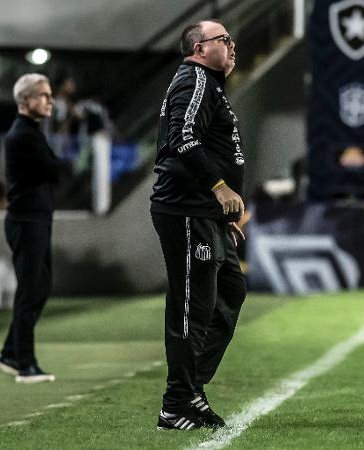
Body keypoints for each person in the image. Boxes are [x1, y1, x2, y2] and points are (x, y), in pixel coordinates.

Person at [151, 20, 246, 430]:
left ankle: (189, 388)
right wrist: (220, 187)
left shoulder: (210, 84)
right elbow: (183, 138)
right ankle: (177, 402)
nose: (231, 45)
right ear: (199, 48)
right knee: (194, 307)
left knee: (230, 291)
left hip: (204, 213)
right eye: (223, 39)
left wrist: (218, 213)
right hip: (186, 209)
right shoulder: (195, 80)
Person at [0, 73, 60, 383]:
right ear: (25, 101)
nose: (50, 100)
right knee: (30, 291)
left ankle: (9, 352)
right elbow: (54, 168)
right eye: (43, 95)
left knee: (39, 288)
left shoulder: (31, 131)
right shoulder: (23, 134)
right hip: (26, 221)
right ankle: (25, 365)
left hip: (36, 220)